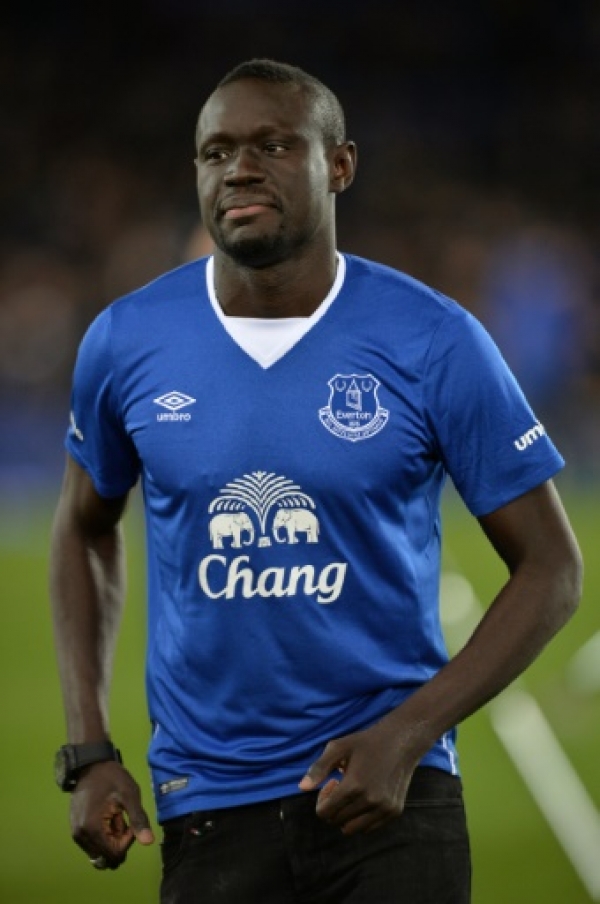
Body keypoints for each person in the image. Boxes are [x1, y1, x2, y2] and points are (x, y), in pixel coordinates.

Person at [49, 59, 583, 904]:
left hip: (389, 801)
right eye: (216, 152)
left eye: (272, 145)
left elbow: (553, 568)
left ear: (339, 165)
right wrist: (89, 752)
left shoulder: (434, 338)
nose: (239, 169)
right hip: (208, 808)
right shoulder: (126, 341)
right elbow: (83, 529)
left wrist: (409, 734)